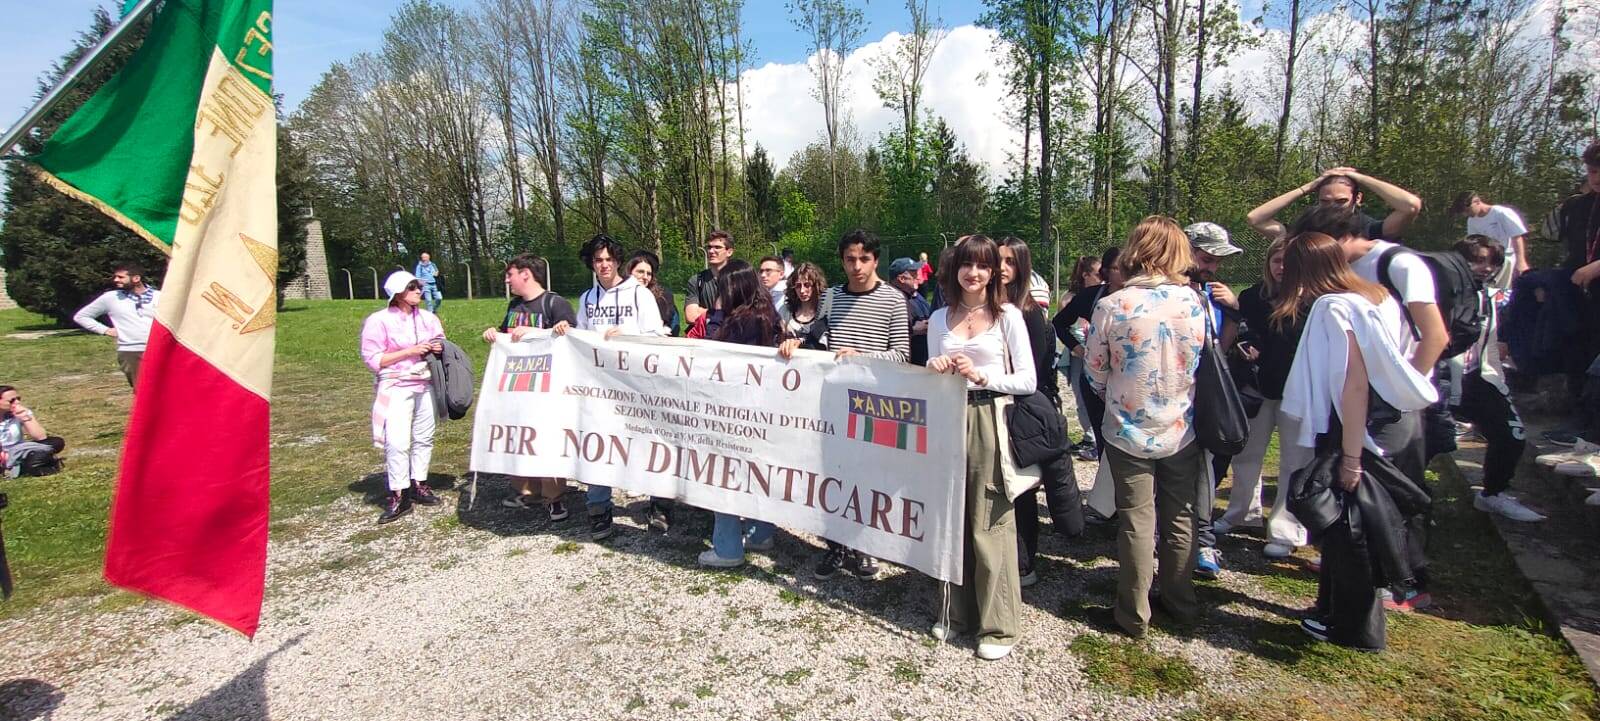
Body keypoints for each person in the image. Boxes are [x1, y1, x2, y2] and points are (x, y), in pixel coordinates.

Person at [1273, 232, 1437, 652]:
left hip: (1355, 426)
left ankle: (1354, 627)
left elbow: (1353, 382)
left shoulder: (1334, 307)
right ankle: (1332, 611)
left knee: (1350, 531)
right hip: (1385, 420)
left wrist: (1350, 456)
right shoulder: (1374, 296)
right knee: (1352, 526)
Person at [1084, 216, 1208, 639]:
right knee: (1180, 516)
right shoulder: (1193, 302)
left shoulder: (1113, 304)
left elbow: (1095, 369)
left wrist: (1113, 393)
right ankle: (1179, 599)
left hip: (1127, 425)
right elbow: (1198, 360)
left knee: (1137, 521)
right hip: (1180, 423)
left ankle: (1133, 613)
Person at [924, 234, 1036, 661]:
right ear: (955, 270)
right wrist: (935, 368)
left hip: (991, 417)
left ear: (994, 272)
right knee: (950, 517)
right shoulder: (938, 318)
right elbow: (931, 376)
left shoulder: (1007, 315)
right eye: (967, 265)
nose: (974, 273)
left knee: (990, 520)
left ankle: (999, 625)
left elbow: (1027, 379)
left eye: (983, 266)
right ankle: (955, 612)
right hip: (948, 417)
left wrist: (986, 377)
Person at [779, 230, 910, 580]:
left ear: (875, 260)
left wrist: (862, 357)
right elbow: (815, 340)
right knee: (833, 474)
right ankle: (836, 547)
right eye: (850, 259)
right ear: (842, 261)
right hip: (833, 402)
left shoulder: (895, 300)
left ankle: (867, 547)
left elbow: (902, 354)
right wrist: (794, 345)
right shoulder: (832, 297)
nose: (857, 266)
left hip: (874, 404)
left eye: (863, 259)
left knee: (869, 477)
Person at [556, 234, 669, 539]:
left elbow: (658, 337)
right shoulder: (587, 299)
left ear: (618, 261)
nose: (604, 265)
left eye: (608, 259)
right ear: (591, 263)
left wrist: (629, 334)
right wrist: (565, 330)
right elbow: (580, 339)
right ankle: (598, 508)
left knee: (646, 442)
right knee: (596, 442)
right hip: (599, 387)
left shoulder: (639, 294)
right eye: (597, 260)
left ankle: (658, 503)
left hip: (636, 386)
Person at [1215, 236, 1313, 558]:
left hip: (1297, 391)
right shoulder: (1253, 296)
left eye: (1289, 261)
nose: (1282, 267)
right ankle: (1242, 513)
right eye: (1276, 260)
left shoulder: (1313, 301)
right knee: (1246, 455)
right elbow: (1242, 329)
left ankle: (1285, 530)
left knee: (1294, 462)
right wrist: (1245, 343)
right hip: (1256, 388)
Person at [998, 237, 1083, 587]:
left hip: (1021, 408)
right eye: (997, 260)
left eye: (1010, 262)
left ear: (1021, 267)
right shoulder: (989, 307)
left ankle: (1024, 562)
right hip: (990, 405)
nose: (1002, 268)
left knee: (1022, 489)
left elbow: (1029, 370)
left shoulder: (1030, 312)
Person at [698, 264, 784, 568]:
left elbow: (709, 348)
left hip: (731, 409)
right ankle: (762, 532)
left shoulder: (736, 320)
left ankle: (727, 547)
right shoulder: (766, 313)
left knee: (723, 475)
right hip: (761, 409)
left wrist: (717, 312)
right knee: (756, 472)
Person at [1451, 237, 1541, 522]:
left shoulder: (1490, 297)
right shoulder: (1435, 293)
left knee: (1513, 437)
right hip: (1437, 379)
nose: (1485, 268)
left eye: (1492, 262)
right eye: (1477, 260)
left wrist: (1497, 379)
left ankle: (1493, 494)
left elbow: (1490, 342)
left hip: (1479, 377)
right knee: (1423, 445)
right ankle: (1408, 506)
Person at [482, 254, 578, 521]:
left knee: (547, 439)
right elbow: (507, 336)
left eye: (510, 274)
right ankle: (526, 490)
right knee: (519, 436)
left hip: (546, 388)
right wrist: (494, 334)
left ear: (526, 274)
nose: (506, 279)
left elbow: (572, 337)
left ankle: (554, 497)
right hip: (517, 387)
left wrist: (542, 332)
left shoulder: (554, 303)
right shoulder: (514, 306)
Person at [1182, 222, 1244, 580]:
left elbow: (1222, 348)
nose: (1212, 268)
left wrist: (1232, 311)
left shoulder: (1212, 294)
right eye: (1207, 259)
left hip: (1204, 397)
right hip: (1169, 400)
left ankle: (1202, 539)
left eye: (1218, 261)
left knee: (1204, 471)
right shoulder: (1168, 290)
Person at [360, 271, 446, 524]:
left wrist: (438, 347)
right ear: (397, 292)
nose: (418, 291)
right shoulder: (379, 320)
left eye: (418, 286)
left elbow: (440, 340)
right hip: (396, 385)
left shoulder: (428, 318)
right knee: (397, 441)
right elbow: (373, 358)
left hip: (426, 382)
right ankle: (399, 492)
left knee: (424, 435)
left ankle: (420, 482)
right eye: (412, 287)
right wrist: (409, 351)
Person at [1052, 247, 1123, 465]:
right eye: (1118, 268)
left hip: (1128, 380)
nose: (1125, 274)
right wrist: (1078, 349)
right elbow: (1059, 322)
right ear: (1106, 272)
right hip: (1096, 379)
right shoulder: (1092, 296)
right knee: (1104, 440)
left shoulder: (1145, 298)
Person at [1247, 167, 1423, 242]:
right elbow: (1255, 218)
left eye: (1341, 201)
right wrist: (1308, 187)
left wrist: (1360, 178)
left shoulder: (1370, 229)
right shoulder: (1308, 231)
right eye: (1325, 201)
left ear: (1357, 199)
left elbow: (1411, 205)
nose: (1332, 208)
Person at [73, 262, 160, 388]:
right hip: (131, 351)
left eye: (121, 277)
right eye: (115, 277)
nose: (116, 280)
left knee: (166, 389)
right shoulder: (111, 298)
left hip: (159, 349)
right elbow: (81, 316)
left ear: (136, 278)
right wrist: (105, 330)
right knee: (141, 390)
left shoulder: (160, 296)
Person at [1060, 256, 1102, 456]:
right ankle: (1091, 437)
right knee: (1082, 397)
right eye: (1098, 274)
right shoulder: (1072, 299)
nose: (1102, 279)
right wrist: (1081, 350)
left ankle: (1094, 438)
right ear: (1086, 275)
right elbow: (1062, 324)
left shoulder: (1102, 296)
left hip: (1099, 357)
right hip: (1081, 357)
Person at [1452, 191, 1530, 288]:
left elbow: (1517, 236)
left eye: (1468, 210)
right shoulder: (1471, 221)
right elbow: (1475, 244)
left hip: (1506, 259)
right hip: (1487, 262)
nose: (1466, 214)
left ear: (1477, 202)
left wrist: (1521, 261)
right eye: (1464, 212)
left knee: (1504, 290)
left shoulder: (1501, 213)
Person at [0, 386, 66, 477]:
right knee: (37, 458)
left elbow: (41, 437)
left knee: (56, 442)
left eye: (18, 399)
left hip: (19, 451)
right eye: (11, 400)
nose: (17, 402)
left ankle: (25, 466)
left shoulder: (20, 412)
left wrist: (25, 417)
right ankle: (33, 467)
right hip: (3, 455)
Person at [887, 257, 933, 365]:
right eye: (913, 274)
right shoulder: (892, 300)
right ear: (902, 279)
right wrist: (914, 330)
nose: (918, 276)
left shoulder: (915, 294)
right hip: (906, 365)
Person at [686, 230, 734, 325]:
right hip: (705, 337)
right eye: (709, 247)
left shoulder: (739, 279)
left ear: (729, 252)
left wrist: (702, 311)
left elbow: (743, 316)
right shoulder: (697, 280)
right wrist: (723, 314)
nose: (711, 251)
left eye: (717, 247)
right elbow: (691, 316)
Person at [627, 251, 680, 337]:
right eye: (640, 272)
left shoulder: (662, 296)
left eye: (649, 273)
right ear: (629, 271)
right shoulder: (618, 294)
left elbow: (656, 327)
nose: (645, 277)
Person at [780, 262, 828, 345]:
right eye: (798, 286)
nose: (802, 291)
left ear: (816, 286)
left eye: (807, 285)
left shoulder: (825, 312)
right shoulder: (785, 311)